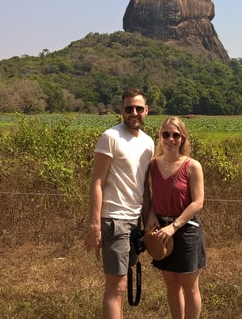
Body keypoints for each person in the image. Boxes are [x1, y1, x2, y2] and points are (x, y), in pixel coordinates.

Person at [84, 87, 154, 319]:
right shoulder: (110, 137)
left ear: (147, 111)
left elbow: (143, 186)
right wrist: (95, 225)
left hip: (135, 221)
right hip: (114, 219)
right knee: (117, 286)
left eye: (138, 108)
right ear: (121, 110)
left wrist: (147, 221)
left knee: (122, 283)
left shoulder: (148, 143)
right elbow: (97, 182)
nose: (133, 113)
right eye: (128, 108)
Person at [146, 116, 206, 319]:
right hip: (161, 231)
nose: (170, 139)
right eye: (166, 134)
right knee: (171, 284)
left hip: (186, 229)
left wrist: (174, 225)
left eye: (175, 135)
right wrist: (152, 214)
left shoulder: (192, 166)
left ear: (182, 138)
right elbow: (155, 195)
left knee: (189, 286)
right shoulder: (153, 165)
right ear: (160, 136)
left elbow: (198, 202)